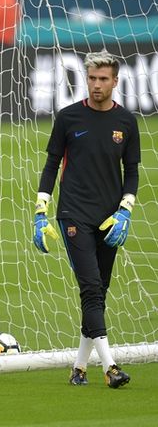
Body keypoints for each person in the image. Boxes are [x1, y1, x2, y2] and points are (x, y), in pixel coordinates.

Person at [33, 49, 141, 389]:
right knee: (92, 288)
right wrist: (41, 210)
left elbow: (132, 171)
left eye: (103, 79)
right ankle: (110, 368)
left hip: (109, 218)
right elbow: (52, 164)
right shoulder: (68, 118)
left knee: (98, 292)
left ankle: (79, 367)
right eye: (92, 78)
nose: (96, 85)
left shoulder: (126, 122)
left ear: (115, 81)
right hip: (74, 214)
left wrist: (125, 209)